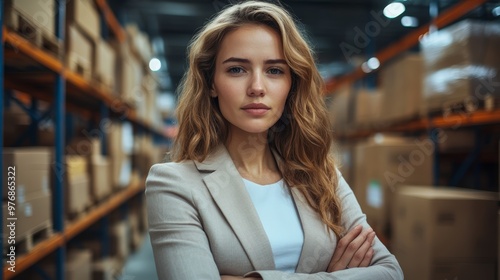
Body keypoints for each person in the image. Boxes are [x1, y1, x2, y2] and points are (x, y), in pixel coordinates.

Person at [145, 1, 403, 279]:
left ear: (292, 84)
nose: (257, 87)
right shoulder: (174, 184)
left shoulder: (321, 175)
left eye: (275, 71)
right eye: (236, 70)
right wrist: (331, 275)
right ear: (211, 83)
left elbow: (389, 272)